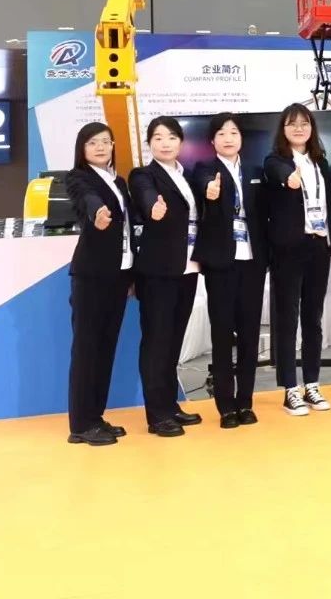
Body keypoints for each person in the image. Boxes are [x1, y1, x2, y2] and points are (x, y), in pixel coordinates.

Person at [189, 112, 268, 429]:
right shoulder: (204, 169)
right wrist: (210, 191)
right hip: (221, 263)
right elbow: (203, 187)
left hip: (253, 261)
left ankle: (245, 402)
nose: (228, 138)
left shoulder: (256, 171)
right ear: (212, 141)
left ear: (241, 138)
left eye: (233, 132)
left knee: (250, 333)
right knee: (222, 334)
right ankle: (225, 406)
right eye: (221, 133)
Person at [264, 104, 331, 417]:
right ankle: (290, 389)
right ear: (283, 130)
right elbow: (277, 174)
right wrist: (289, 179)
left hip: (319, 246)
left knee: (313, 318)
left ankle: (312, 383)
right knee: (288, 319)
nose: (299, 128)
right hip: (289, 249)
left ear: (312, 128)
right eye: (292, 124)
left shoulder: (319, 162)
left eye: (304, 123)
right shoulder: (276, 160)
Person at [129, 117, 204, 437]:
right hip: (158, 271)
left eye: (171, 137)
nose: (165, 143)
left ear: (180, 142)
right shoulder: (143, 175)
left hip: (187, 268)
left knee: (173, 342)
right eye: (158, 137)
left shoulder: (187, 176)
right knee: (156, 342)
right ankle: (157, 415)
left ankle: (170, 405)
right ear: (149, 143)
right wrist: (153, 208)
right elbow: (146, 195)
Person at [63, 122, 134, 446]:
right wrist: (98, 213)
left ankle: (95, 416)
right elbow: (87, 198)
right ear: (82, 148)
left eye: (106, 141)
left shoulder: (118, 181)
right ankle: (80, 424)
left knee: (105, 349)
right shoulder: (78, 177)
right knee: (87, 349)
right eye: (93, 143)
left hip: (118, 275)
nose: (101, 147)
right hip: (91, 276)